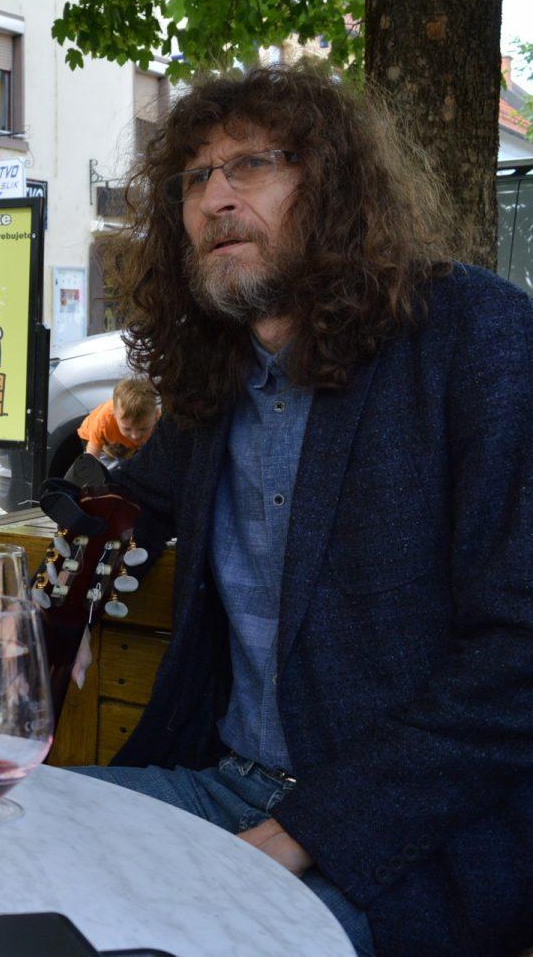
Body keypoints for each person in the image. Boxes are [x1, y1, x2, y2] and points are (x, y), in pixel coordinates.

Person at [74, 65, 533, 956]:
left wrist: (309, 829)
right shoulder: (216, 378)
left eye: (251, 164)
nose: (216, 198)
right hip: (221, 786)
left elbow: (519, 654)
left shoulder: (476, 335)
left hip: (409, 841)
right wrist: (61, 592)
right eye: (195, 177)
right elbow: (125, 501)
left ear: (332, 183)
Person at [76, 375, 159, 461]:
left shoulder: (159, 420)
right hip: (94, 439)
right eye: (127, 429)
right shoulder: (104, 423)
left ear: (156, 416)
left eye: (143, 429)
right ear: (114, 415)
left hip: (124, 443)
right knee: (107, 465)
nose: (135, 436)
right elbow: (91, 458)